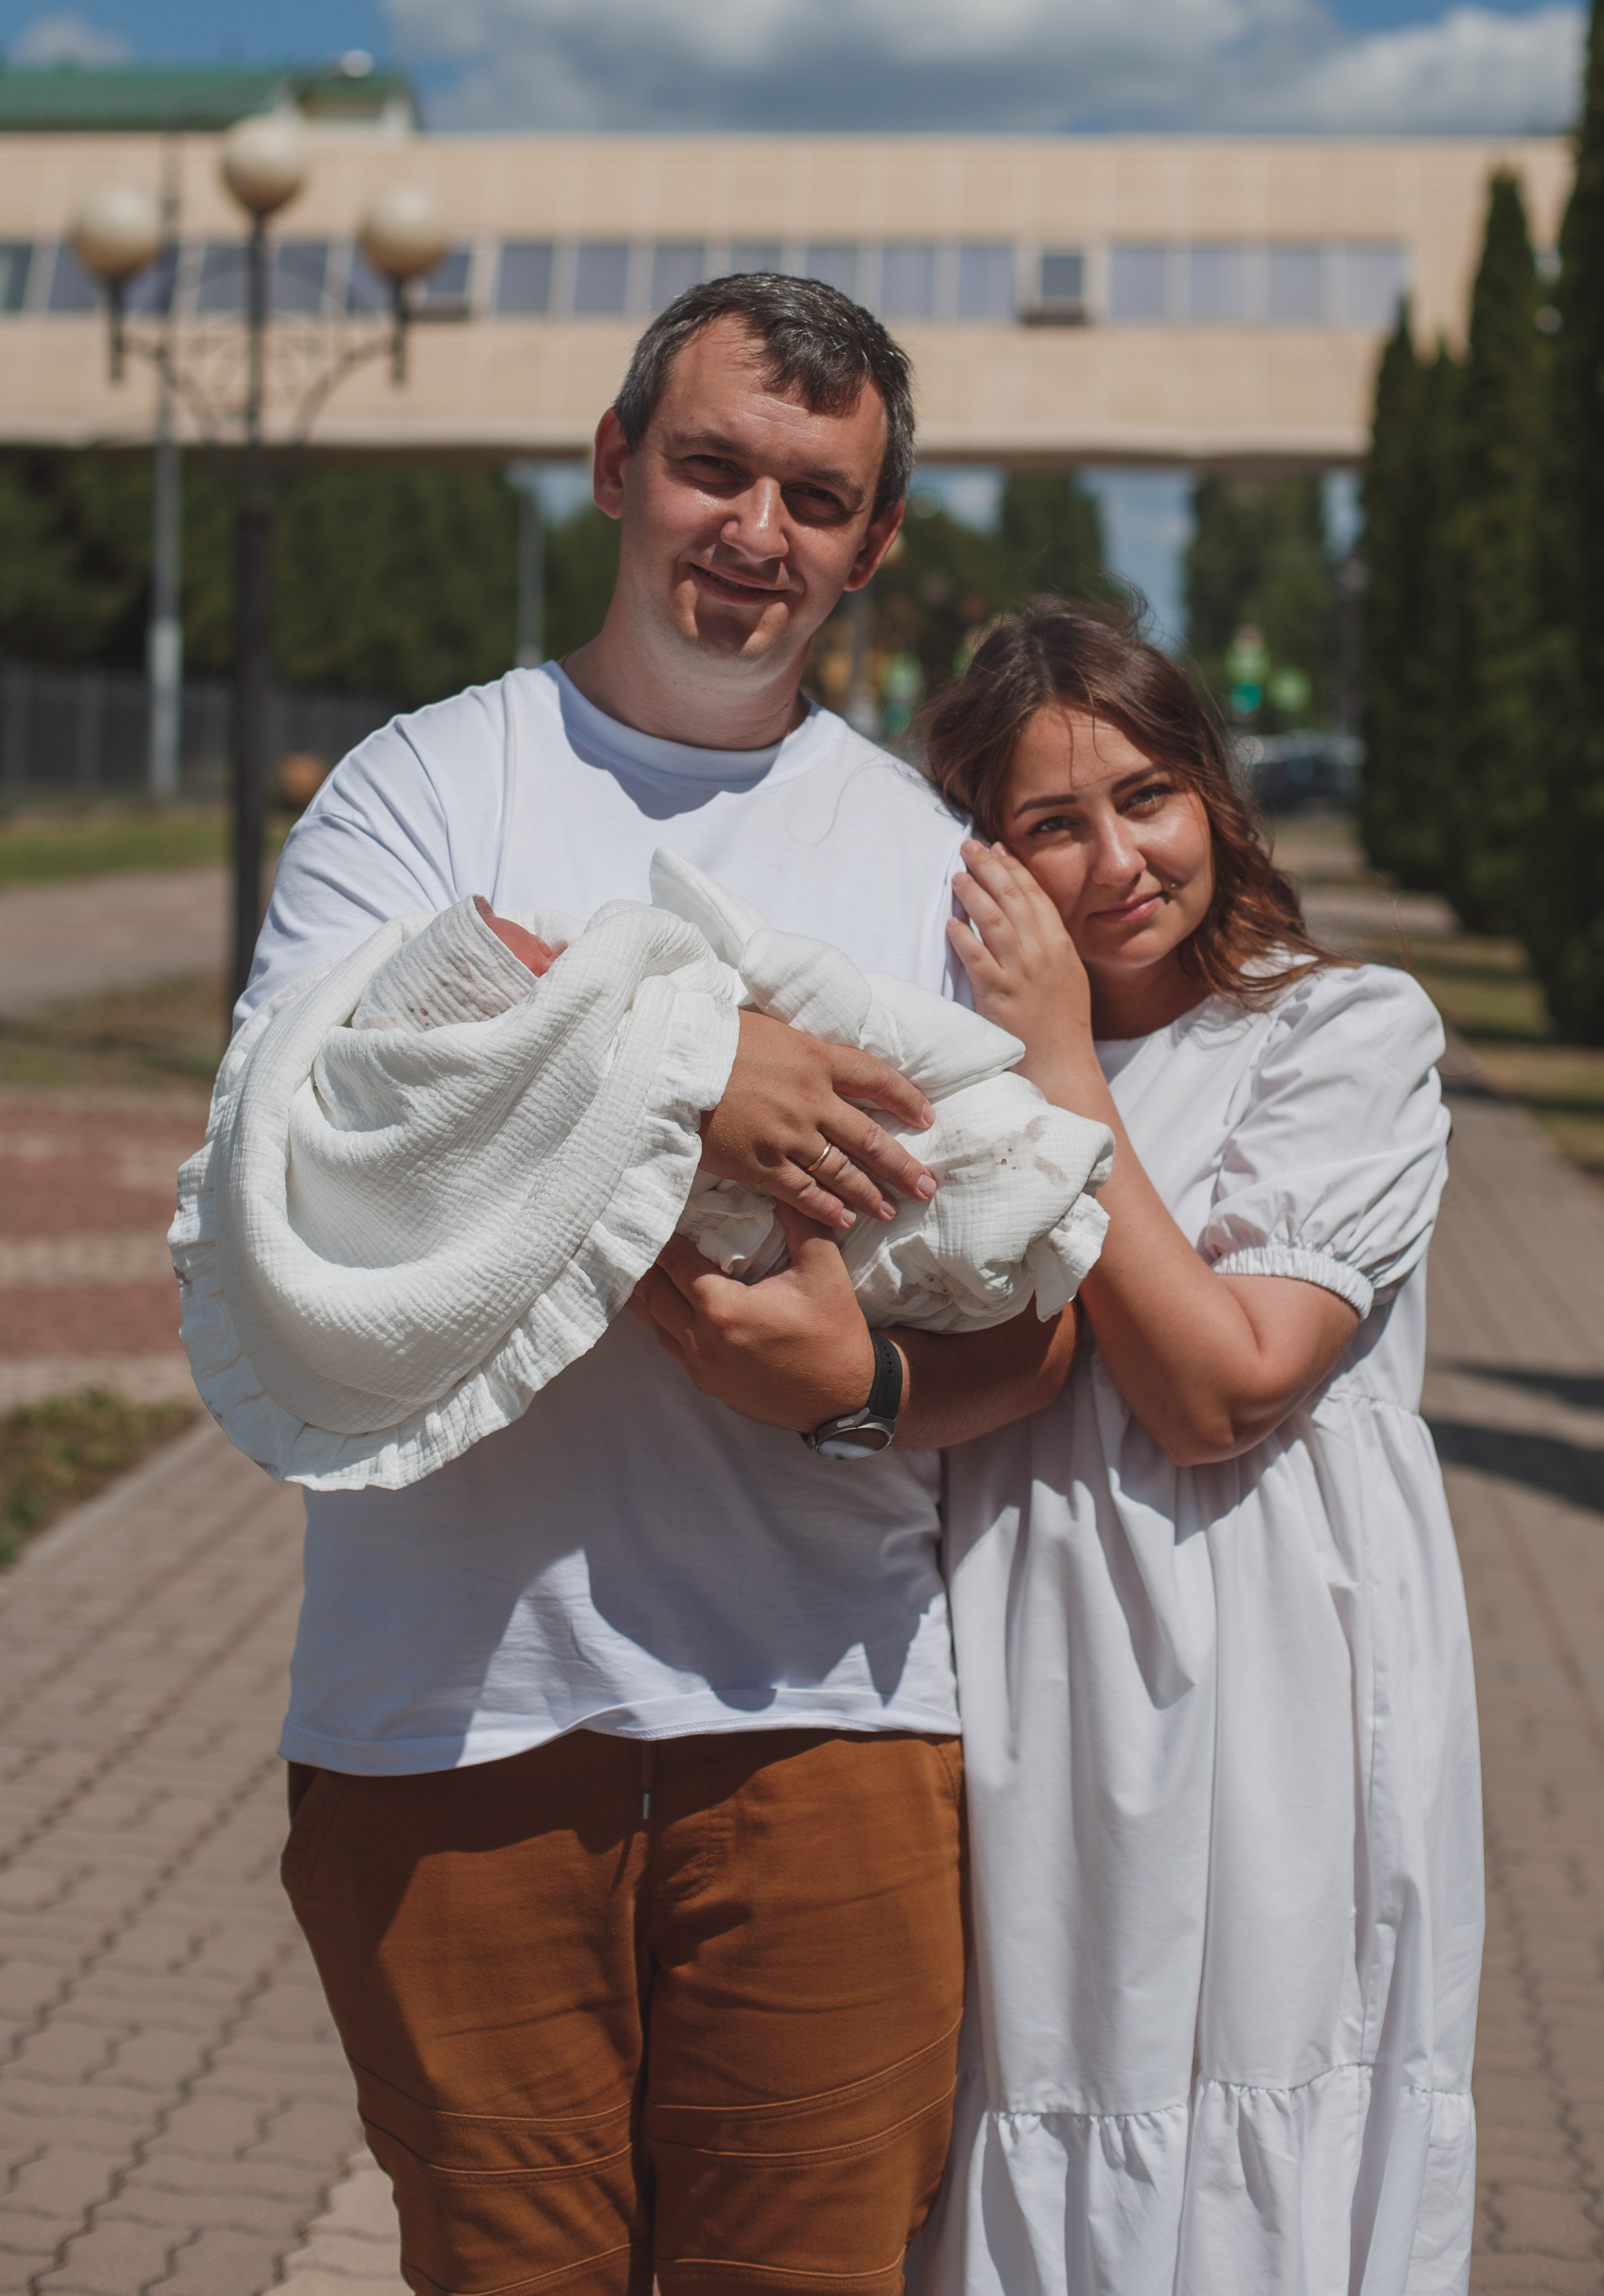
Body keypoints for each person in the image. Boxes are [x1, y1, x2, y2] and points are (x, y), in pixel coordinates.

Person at [245, 274, 1080, 2296]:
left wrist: (852, 1385)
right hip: (451, 1715)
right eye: (714, 466)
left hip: (830, 1721)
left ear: (874, 541)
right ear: (618, 468)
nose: (756, 530)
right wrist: (700, 1077)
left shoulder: (923, 858)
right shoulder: (424, 789)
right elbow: (325, 1133)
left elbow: (1033, 1303)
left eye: (817, 492)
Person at [643, 602, 1482, 2296]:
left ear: (1216, 805)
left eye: (1150, 795)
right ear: (988, 863)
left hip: (1268, 1687)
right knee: (1043, 2107)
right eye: (1052, 823)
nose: (1118, 859)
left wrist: (1056, 1060)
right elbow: (1009, 1380)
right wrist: (833, 1377)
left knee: (1250, 2106)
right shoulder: (952, 1074)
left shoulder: (1344, 1035)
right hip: (1026, 1658)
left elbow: (1223, 1388)